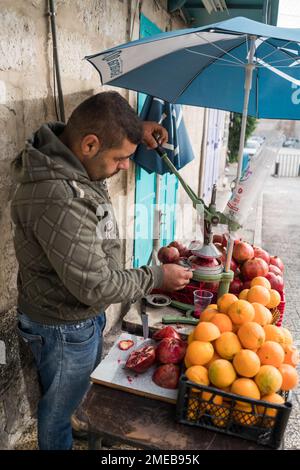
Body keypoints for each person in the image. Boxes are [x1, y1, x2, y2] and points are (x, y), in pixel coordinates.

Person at [11, 91, 192, 450]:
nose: (126, 165)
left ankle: (72, 422)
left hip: (77, 318)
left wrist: (134, 132)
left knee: (73, 392)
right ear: (90, 145)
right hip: (63, 326)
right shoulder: (59, 197)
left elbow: (99, 136)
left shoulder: (74, 157)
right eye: (121, 158)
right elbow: (96, 286)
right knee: (57, 411)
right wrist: (156, 276)